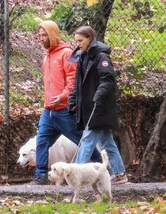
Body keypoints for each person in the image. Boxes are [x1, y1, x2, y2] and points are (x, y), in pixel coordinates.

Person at [33, 21, 102, 185]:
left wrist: (63, 97)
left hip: (64, 110)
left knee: (82, 140)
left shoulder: (66, 54)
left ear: (53, 35)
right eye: (39, 36)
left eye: (44, 35)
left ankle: (101, 169)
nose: (41, 39)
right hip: (48, 110)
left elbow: (72, 81)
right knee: (41, 141)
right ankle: (41, 175)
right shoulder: (46, 57)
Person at [68, 26, 128, 185]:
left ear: (90, 38)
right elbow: (78, 83)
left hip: (99, 107)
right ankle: (120, 174)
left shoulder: (101, 56)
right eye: (76, 41)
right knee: (107, 142)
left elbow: (108, 79)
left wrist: (98, 97)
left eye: (80, 41)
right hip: (89, 106)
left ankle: (76, 175)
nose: (78, 44)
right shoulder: (82, 56)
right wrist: (73, 99)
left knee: (87, 140)